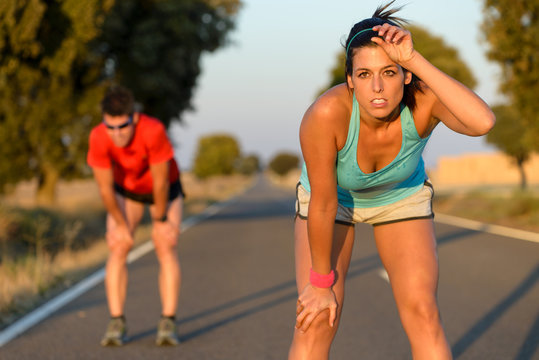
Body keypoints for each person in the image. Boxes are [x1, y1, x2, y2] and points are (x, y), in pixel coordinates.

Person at [289, 2, 495, 359]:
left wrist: (414, 58)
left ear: (406, 75)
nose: (378, 87)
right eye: (365, 75)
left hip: (400, 200)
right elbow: (322, 202)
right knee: (319, 316)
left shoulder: (424, 102)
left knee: (423, 312)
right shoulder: (326, 114)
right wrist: (321, 284)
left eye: (390, 71)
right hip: (332, 202)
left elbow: (482, 123)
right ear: (350, 81)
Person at [87, 85, 184, 346]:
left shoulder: (152, 130)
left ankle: (168, 320)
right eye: (111, 127)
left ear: (135, 117)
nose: (117, 134)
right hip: (126, 191)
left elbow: (161, 183)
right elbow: (105, 189)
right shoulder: (98, 137)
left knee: (165, 243)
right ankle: (116, 321)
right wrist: (120, 225)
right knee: (119, 245)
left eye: (123, 126)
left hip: (163, 190)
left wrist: (161, 221)